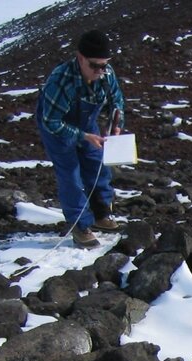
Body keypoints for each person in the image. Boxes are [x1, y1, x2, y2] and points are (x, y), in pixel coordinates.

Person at [36, 29, 125, 248]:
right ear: (80, 58)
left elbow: (117, 102)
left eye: (104, 65)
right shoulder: (61, 81)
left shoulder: (107, 74)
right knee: (71, 173)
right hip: (58, 127)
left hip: (86, 123)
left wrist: (116, 126)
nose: (100, 71)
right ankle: (80, 225)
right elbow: (51, 122)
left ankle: (101, 212)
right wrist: (82, 136)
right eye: (94, 65)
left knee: (96, 164)